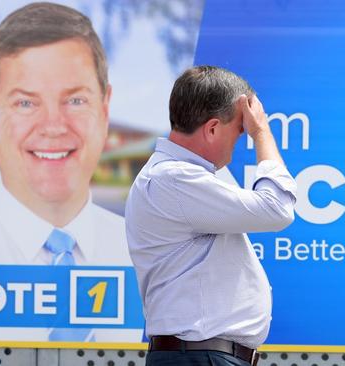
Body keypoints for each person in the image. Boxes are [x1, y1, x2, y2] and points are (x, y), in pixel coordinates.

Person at [0, 2, 140, 342]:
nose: (52, 126)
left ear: (104, 109)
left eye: (75, 100)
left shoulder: (147, 252)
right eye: (25, 102)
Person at [125, 66, 297, 366]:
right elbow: (277, 208)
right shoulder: (175, 179)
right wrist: (263, 133)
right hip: (199, 356)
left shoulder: (181, 177)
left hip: (200, 355)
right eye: (239, 130)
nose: (240, 139)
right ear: (213, 128)